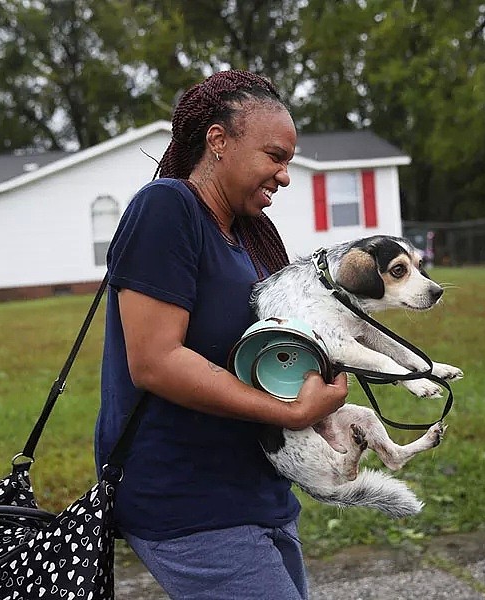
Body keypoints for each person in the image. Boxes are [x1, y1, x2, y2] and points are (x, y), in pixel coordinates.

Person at [94, 69, 349, 600]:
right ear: (218, 140)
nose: (284, 176)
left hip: (256, 492)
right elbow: (156, 361)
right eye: (274, 157)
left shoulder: (245, 239)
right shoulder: (167, 208)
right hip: (189, 502)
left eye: (288, 162)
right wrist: (291, 413)